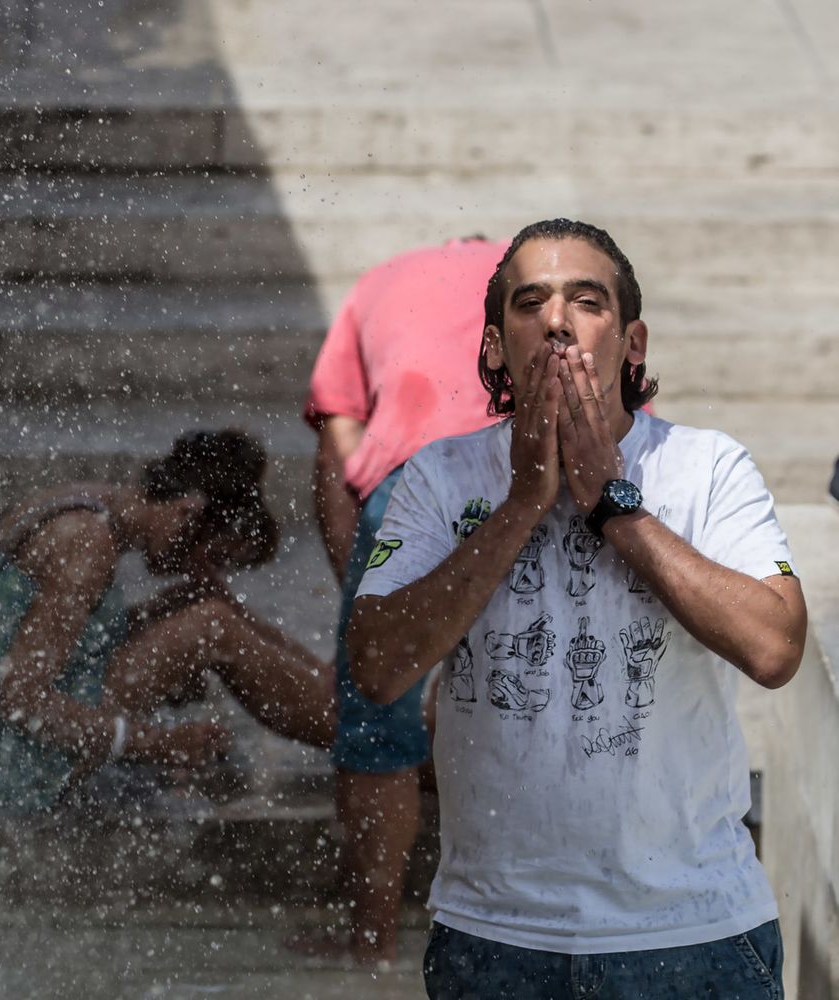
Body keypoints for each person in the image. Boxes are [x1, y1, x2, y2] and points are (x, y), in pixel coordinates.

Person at [347, 219, 807, 998]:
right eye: (530, 303)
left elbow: (774, 647)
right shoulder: (439, 478)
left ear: (633, 343)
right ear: (495, 346)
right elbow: (378, 668)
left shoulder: (707, 466)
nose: (556, 320)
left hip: (694, 934)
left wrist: (614, 507)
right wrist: (525, 501)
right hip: (496, 940)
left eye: (586, 301)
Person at [0, 429, 334, 817]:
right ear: (190, 510)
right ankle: (358, 732)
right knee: (212, 624)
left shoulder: (81, 503)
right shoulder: (87, 543)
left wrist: (153, 615)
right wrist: (157, 744)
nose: (203, 572)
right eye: (211, 556)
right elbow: (22, 701)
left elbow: (51, 641)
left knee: (205, 606)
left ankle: (342, 691)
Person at [300, 236, 507, 965]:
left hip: (411, 473)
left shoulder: (379, 283)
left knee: (377, 720)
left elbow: (338, 451)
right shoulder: (548, 271)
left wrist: (369, 619)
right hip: (524, 463)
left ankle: (373, 941)